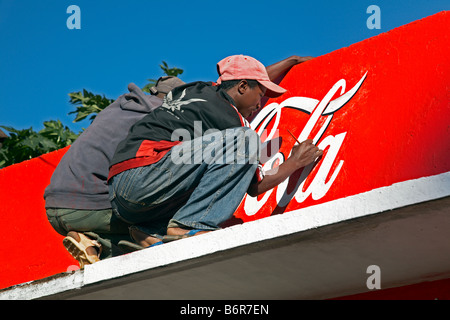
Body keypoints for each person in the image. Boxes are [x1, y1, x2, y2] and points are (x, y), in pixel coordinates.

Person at [108, 54, 322, 250]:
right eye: (261, 94)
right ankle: (190, 224)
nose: (259, 104)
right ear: (242, 87)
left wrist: (290, 62)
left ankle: (150, 229)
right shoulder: (229, 116)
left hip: (122, 194)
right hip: (146, 176)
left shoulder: (198, 89)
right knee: (245, 138)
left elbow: (242, 79)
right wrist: (295, 162)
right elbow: (255, 186)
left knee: (206, 172)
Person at [44, 76, 185, 267]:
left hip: (56, 206)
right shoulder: (161, 118)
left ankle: (91, 245)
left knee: (126, 249)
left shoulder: (117, 109)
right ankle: (149, 234)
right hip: (91, 205)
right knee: (171, 196)